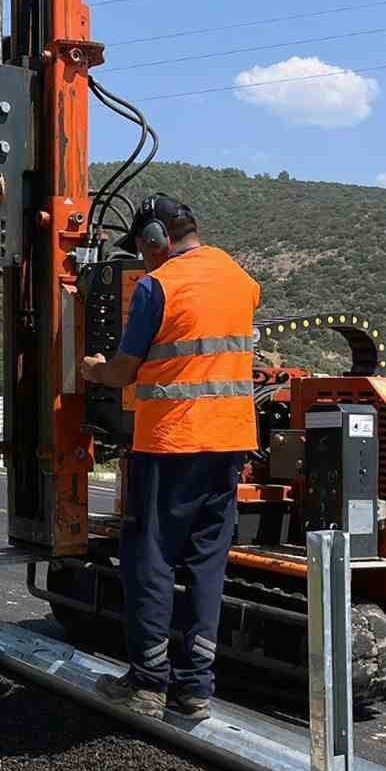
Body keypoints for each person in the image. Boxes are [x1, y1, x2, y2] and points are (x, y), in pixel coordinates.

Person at [79, 194, 259, 721]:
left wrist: (93, 369)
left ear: (156, 238)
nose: (143, 259)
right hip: (229, 444)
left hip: (171, 445)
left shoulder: (160, 286)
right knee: (206, 563)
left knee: (151, 560)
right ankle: (196, 688)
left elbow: (124, 370)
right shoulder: (240, 279)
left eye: (141, 248)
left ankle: (148, 681)